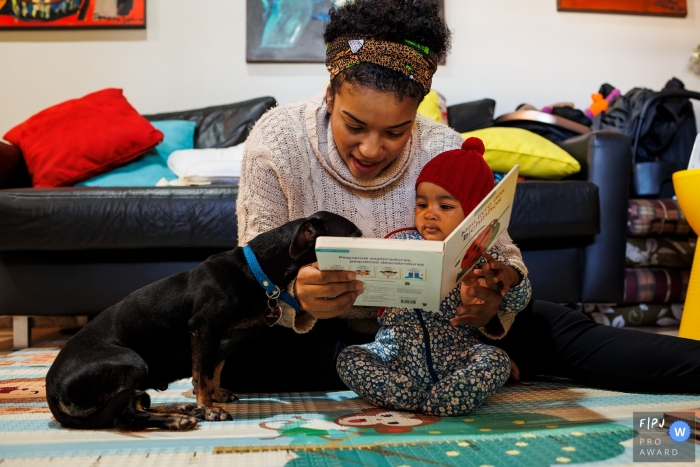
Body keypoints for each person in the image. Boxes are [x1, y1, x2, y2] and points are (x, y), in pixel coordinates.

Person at [223, 0, 700, 394]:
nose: (371, 149)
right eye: (355, 125)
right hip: (324, 333)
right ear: (330, 95)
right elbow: (251, 274)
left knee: (576, 335)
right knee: (238, 355)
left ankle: (460, 367)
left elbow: (502, 251)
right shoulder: (278, 138)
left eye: (396, 131)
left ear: (417, 112)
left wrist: (498, 288)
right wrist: (294, 297)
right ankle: (456, 374)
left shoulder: (444, 146)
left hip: (446, 327)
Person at [336, 137, 530, 416]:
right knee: (349, 358)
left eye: (445, 206)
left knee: (496, 360)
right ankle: (402, 395)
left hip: (456, 356)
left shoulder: (483, 257)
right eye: (422, 204)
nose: (429, 215)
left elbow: (516, 303)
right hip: (394, 352)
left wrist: (510, 278)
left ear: (474, 213)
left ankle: (448, 397)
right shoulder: (400, 241)